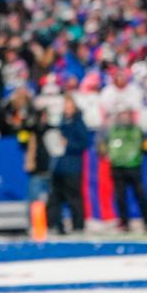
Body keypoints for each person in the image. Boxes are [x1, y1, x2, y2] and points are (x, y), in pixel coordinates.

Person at [100, 109, 147, 232]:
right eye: (122, 114)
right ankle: (124, 222)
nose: (124, 117)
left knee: (140, 195)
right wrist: (104, 153)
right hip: (117, 167)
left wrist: (144, 149)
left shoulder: (137, 130)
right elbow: (102, 145)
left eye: (126, 114)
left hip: (134, 166)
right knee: (120, 197)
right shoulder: (112, 130)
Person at [47, 96, 89, 234]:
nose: (67, 109)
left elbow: (84, 144)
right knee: (55, 198)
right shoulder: (61, 123)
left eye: (69, 106)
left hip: (72, 167)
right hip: (58, 167)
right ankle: (57, 226)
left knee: (74, 198)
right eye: (65, 106)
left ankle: (78, 226)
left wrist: (68, 144)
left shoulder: (78, 123)